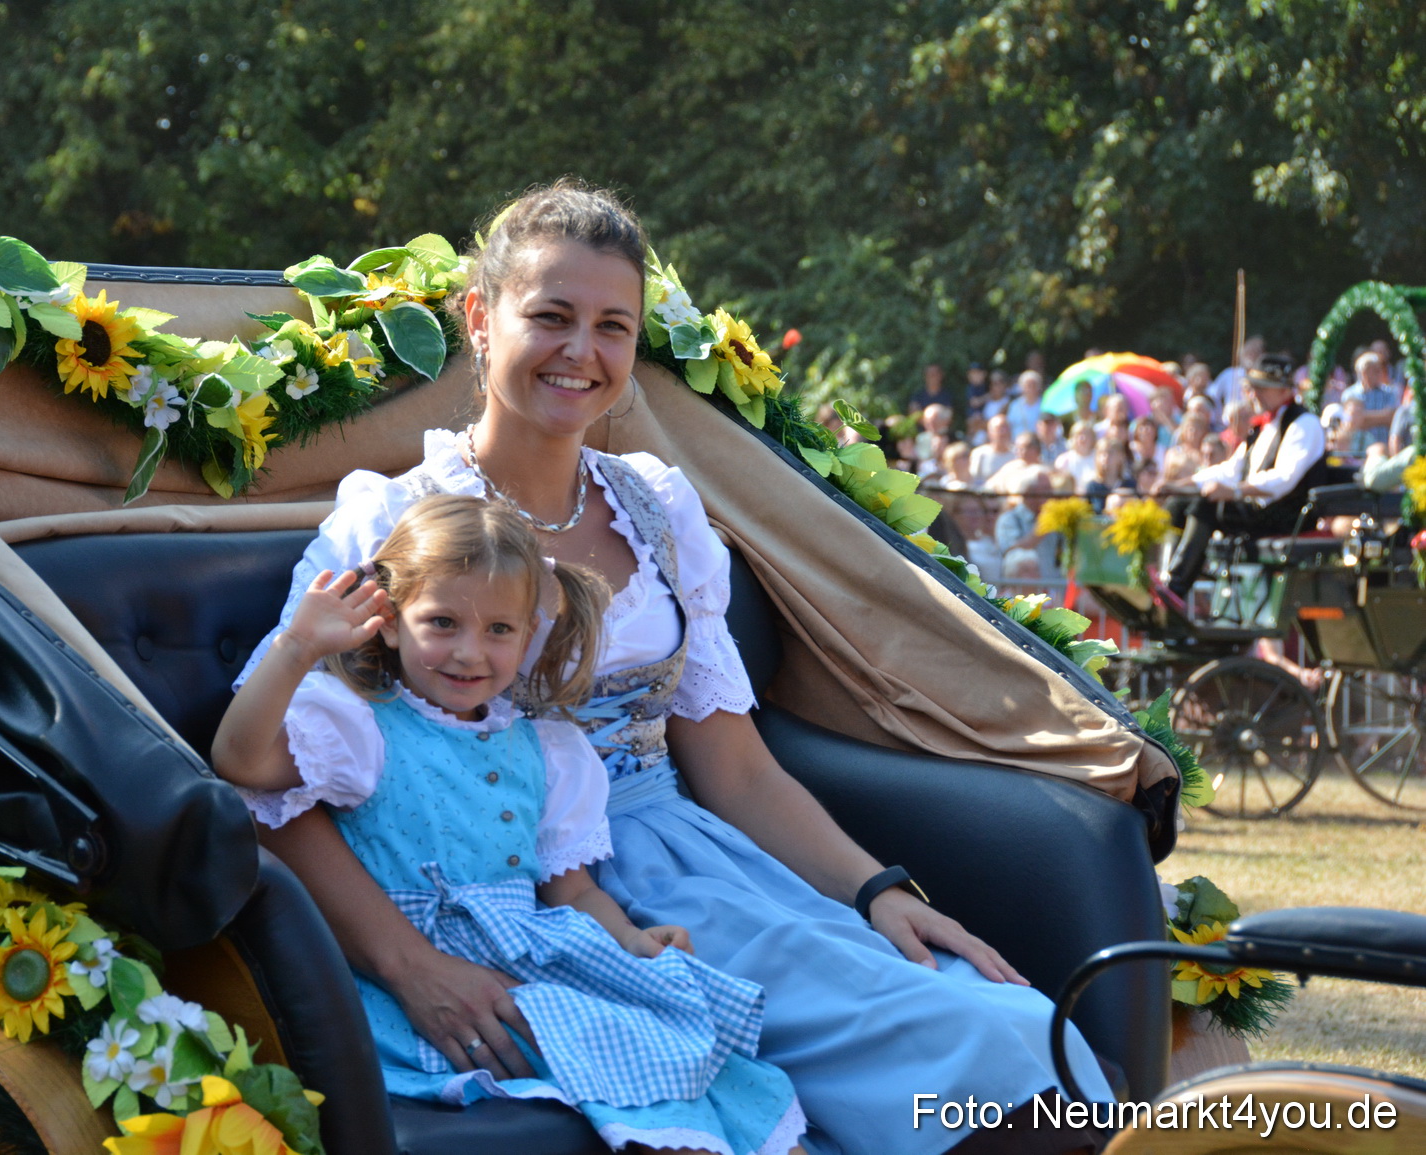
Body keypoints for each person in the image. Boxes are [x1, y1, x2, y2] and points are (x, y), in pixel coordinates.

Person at [230, 181, 1111, 1155]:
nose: (582, 352)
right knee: (992, 1054)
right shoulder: (386, 517)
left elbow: (734, 766)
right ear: (480, 319)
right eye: (551, 317)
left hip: (684, 865)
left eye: (613, 326)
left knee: (1021, 1035)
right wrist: (409, 966)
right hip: (508, 881)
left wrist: (877, 891)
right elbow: (283, 791)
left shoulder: (657, 506)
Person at [217, 496, 807, 1155]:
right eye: (441, 621)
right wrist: (297, 646)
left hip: (531, 957)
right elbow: (237, 759)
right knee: (647, 1076)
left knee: (710, 1057)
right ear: (389, 624)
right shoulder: (360, 727)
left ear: (528, 636)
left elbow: (574, 891)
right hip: (433, 980)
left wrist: (633, 939)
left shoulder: (546, 748)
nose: (470, 652)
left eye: (499, 629)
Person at [1161, 354, 1329, 602]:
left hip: (1288, 515)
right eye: (1253, 388)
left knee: (1205, 506)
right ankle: (1166, 576)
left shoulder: (1304, 424)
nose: (1254, 394)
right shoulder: (1261, 427)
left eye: (1262, 389)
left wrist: (1235, 492)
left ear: (1284, 391)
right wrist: (1178, 485)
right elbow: (1231, 470)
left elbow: (1284, 479)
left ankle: (1175, 589)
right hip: (1257, 509)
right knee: (1177, 503)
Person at [1342, 351, 1401, 456]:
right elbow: (1351, 423)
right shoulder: (1350, 394)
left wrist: (1363, 417)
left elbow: (1392, 418)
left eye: (1380, 370)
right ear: (1364, 372)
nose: (1380, 373)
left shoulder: (1390, 393)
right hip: (1356, 452)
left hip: (1383, 451)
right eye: (1376, 370)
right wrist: (1382, 416)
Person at [969, 414, 1016, 485]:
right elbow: (973, 480)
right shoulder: (979, 454)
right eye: (998, 429)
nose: (1002, 433)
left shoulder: (1017, 454)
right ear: (989, 433)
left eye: (1005, 428)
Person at [1054, 421, 1099, 491]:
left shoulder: (1098, 458)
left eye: (1087, 434)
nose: (1082, 439)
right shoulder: (1063, 460)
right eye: (1078, 435)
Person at [1003, 370, 1046, 437]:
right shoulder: (1014, 405)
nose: (1031, 389)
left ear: (1039, 387)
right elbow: (1009, 425)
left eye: (1034, 385)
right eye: (1028, 385)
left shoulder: (1045, 404)